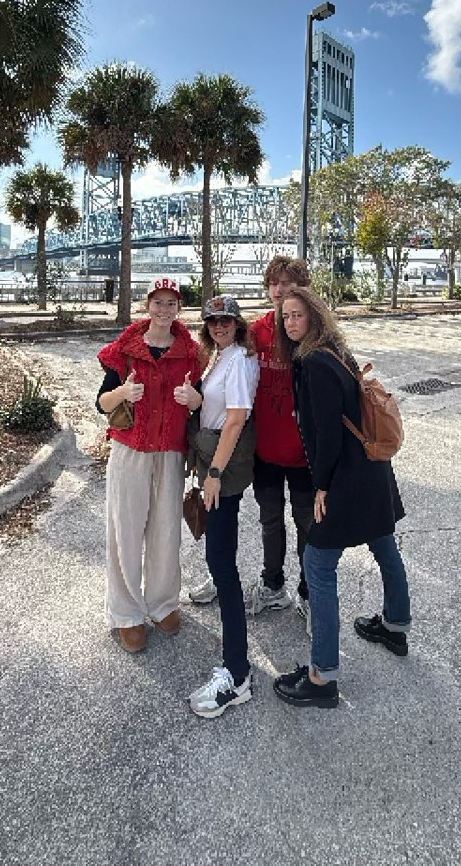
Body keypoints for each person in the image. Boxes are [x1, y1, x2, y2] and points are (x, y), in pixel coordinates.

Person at [272, 286, 411, 711]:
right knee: (385, 545)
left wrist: (322, 485)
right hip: (371, 469)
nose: (291, 323)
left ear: (314, 317)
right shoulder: (336, 351)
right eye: (286, 317)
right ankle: (394, 625)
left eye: (297, 315)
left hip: (347, 477)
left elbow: (327, 432)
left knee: (318, 564)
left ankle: (322, 676)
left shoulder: (314, 362)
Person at [189, 256, 314, 621]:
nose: (280, 290)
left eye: (288, 283)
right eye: (274, 283)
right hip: (267, 449)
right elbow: (221, 349)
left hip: (305, 451)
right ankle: (273, 585)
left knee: (307, 523)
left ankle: (308, 592)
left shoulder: (310, 333)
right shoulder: (256, 334)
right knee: (270, 520)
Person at [96, 277, 202, 653]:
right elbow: (102, 405)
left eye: (170, 303)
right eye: (157, 302)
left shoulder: (191, 353)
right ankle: (127, 613)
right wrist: (123, 392)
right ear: (148, 305)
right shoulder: (124, 351)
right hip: (130, 452)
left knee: (165, 532)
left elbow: (201, 406)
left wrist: (194, 399)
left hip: (171, 453)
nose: (163, 309)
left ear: (178, 308)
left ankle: (162, 604)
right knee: (125, 532)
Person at [174, 295, 260, 719]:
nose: (219, 326)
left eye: (226, 320)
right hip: (213, 464)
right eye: (213, 322)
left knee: (222, 565)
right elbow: (216, 408)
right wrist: (195, 400)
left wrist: (215, 473)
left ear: (237, 323)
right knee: (220, 560)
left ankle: (237, 673)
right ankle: (236, 664)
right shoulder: (221, 355)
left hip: (222, 471)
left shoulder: (241, 360)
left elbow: (237, 418)